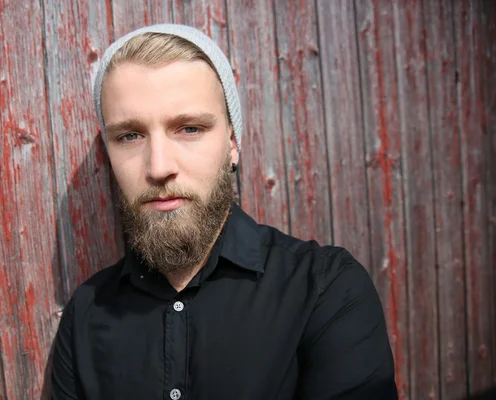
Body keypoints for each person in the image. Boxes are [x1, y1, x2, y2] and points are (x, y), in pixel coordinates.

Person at [51, 24, 397, 400]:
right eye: (130, 136)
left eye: (189, 128)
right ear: (109, 153)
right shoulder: (85, 316)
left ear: (233, 143)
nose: (158, 166)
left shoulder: (325, 290)